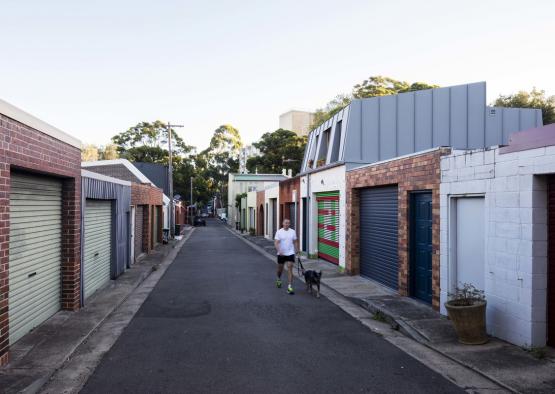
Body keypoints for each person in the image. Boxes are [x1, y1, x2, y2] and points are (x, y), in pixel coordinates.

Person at [274, 218, 299, 294]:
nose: (287, 224)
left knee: (290, 267)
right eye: (285, 223)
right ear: (282, 223)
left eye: (288, 223)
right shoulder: (279, 232)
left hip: (290, 252)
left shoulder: (292, 232)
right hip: (281, 253)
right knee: (280, 269)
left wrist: (297, 249)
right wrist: (279, 250)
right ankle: (278, 278)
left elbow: (295, 241)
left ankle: (289, 287)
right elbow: (276, 242)